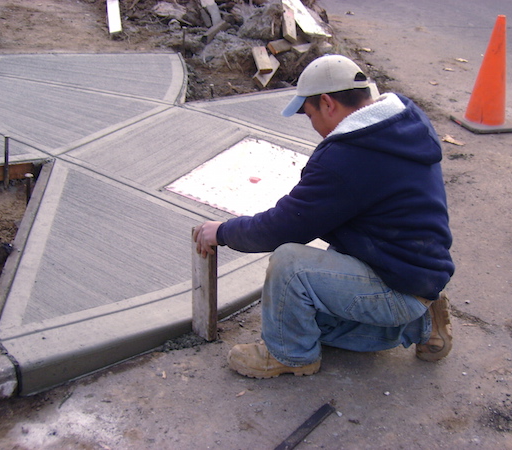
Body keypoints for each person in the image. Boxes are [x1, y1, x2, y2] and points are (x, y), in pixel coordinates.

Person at [193, 54, 454, 378]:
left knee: (290, 265)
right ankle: (421, 323)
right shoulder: (401, 119)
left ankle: (290, 355)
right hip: (417, 269)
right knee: (307, 322)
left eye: (310, 114)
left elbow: (281, 228)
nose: (313, 125)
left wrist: (222, 232)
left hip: (397, 282)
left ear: (328, 103)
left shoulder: (348, 156)